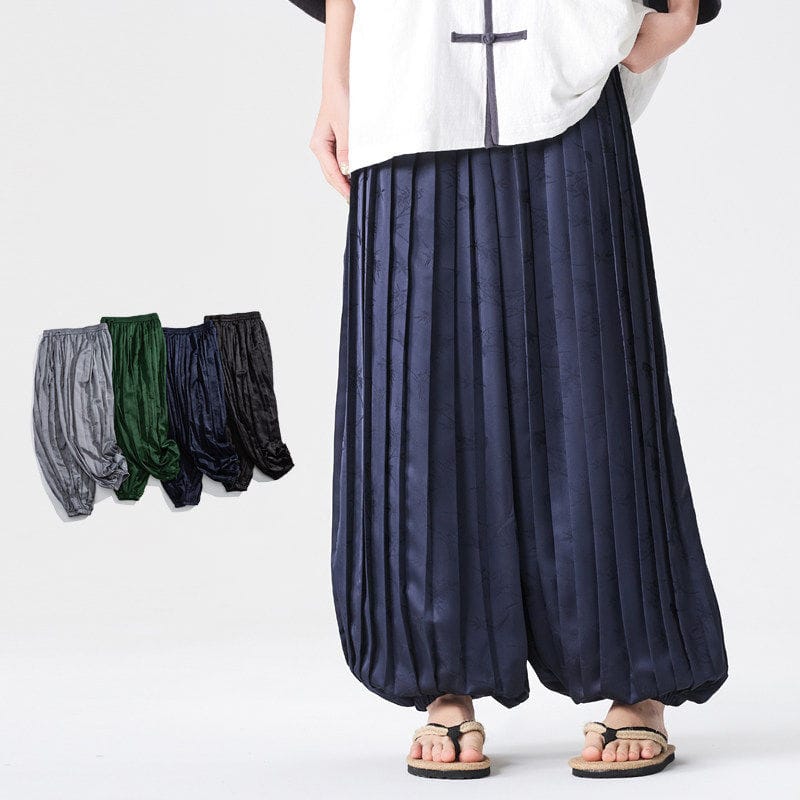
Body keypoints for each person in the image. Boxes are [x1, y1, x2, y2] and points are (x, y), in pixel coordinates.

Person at [289, 0, 727, 779]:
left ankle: (638, 677)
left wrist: (684, 4)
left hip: (564, 52)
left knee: (595, 387)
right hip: (408, 67)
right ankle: (443, 674)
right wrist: (336, 75)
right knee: (419, 395)